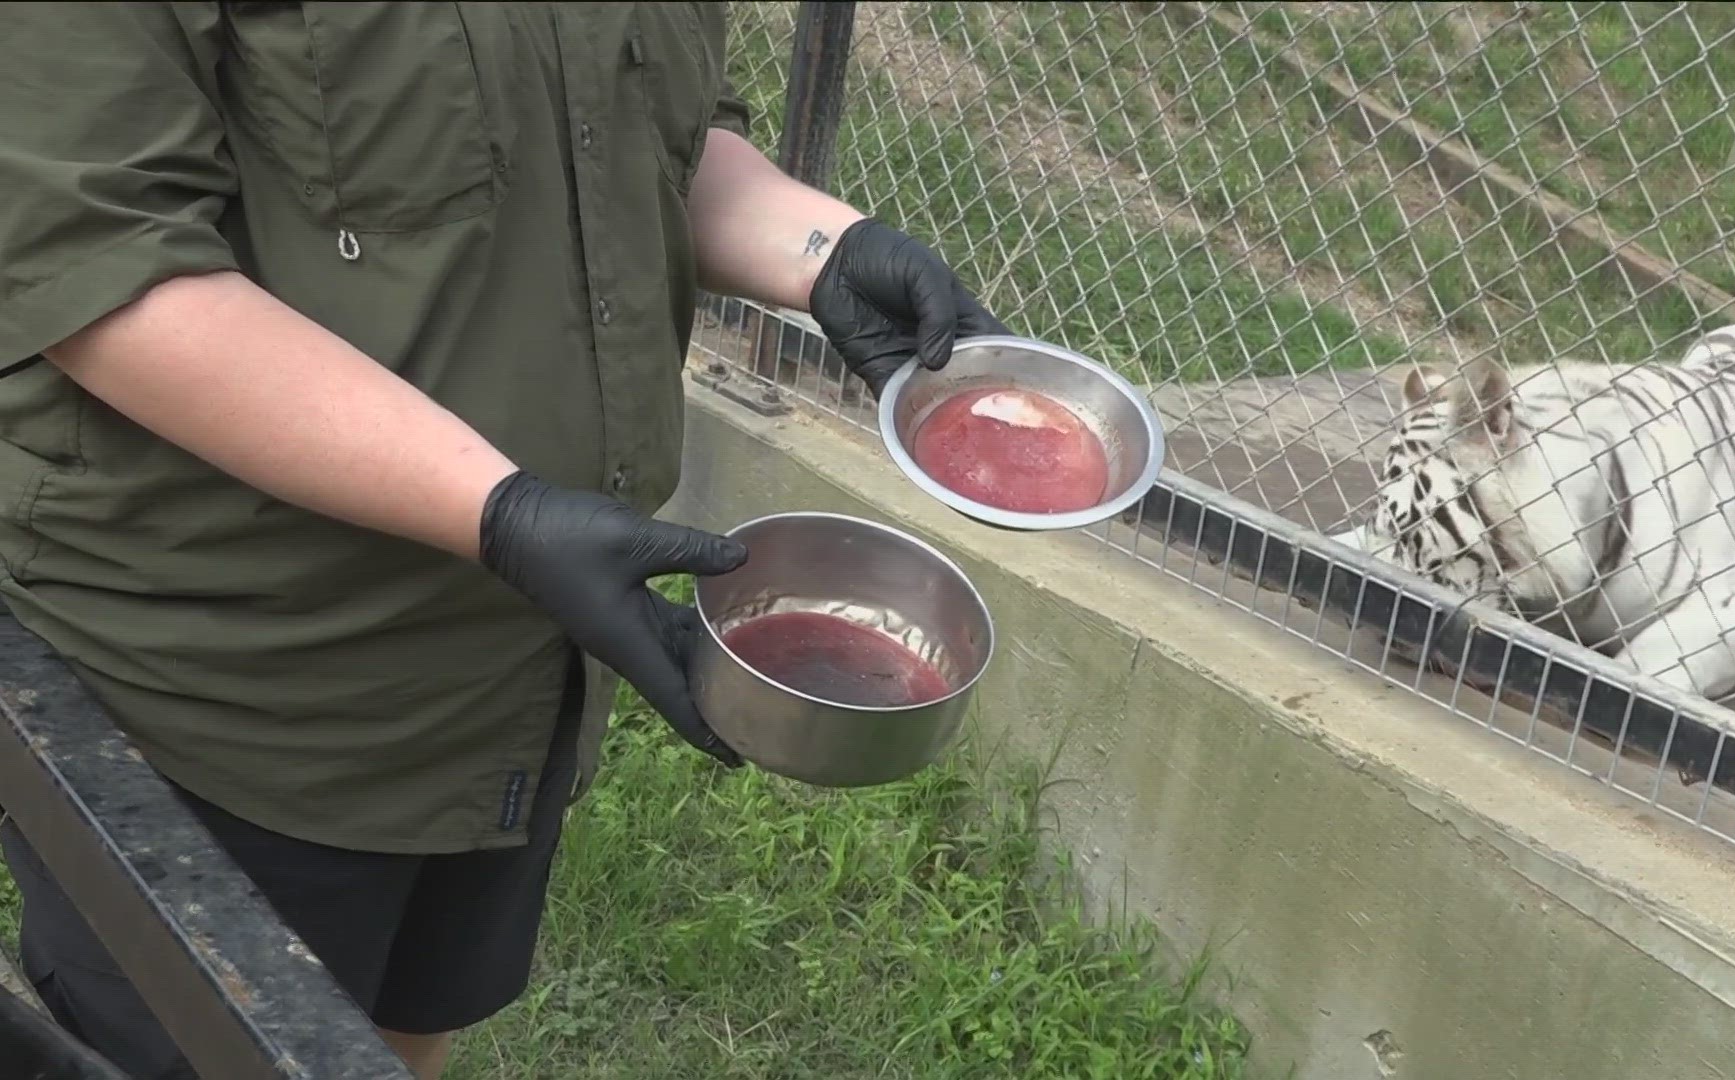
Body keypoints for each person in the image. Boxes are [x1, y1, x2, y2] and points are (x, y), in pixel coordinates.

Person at [0, 5, 1007, 1078]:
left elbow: (637, 136)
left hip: (504, 666)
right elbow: (106, 274)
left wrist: (821, 247)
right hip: (229, 683)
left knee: (395, 1041)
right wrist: (503, 510)